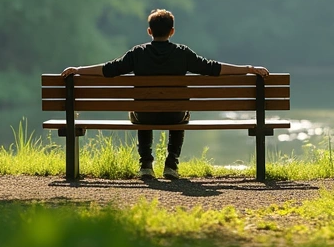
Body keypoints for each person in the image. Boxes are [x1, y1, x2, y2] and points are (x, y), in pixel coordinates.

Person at [61, 9, 269, 179]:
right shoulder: (183, 53)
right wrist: (248, 68)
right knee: (182, 109)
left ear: (149, 31)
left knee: (141, 108)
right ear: (172, 31)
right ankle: (171, 164)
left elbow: (109, 69)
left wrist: (78, 70)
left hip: (144, 115)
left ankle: (145, 165)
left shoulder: (138, 53)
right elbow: (213, 68)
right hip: (175, 115)